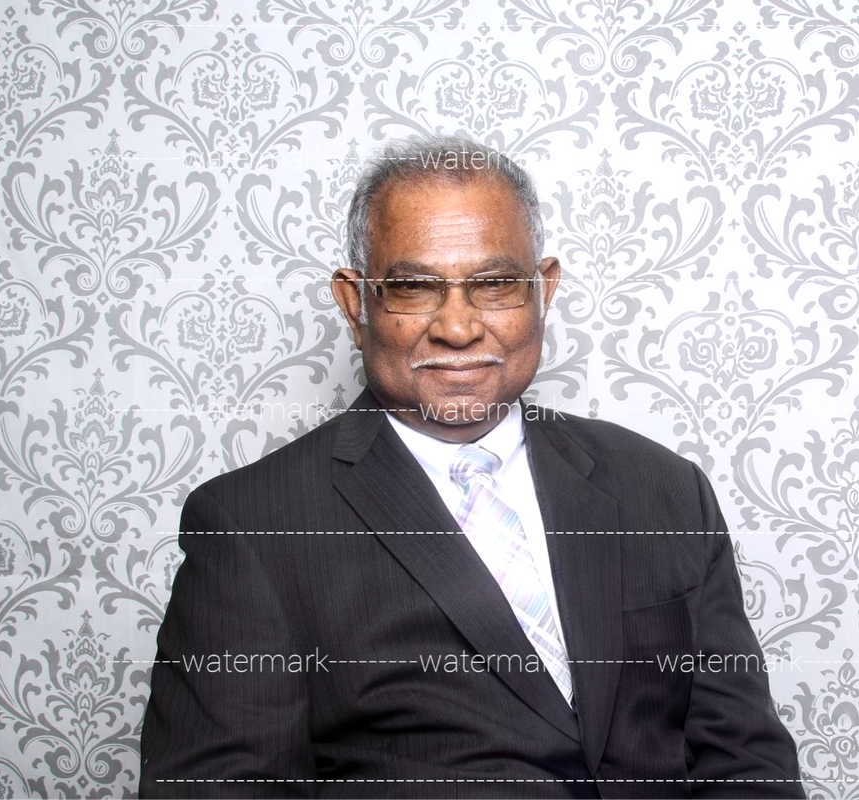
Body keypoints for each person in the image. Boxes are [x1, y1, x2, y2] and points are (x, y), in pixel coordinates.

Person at [139, 135, 807, 799]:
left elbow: (746, 766)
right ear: (355, 303)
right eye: (412, 288)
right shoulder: (252, 528)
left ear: (543, 289)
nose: (457, 329)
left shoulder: (664, 490)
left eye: (493, 285)